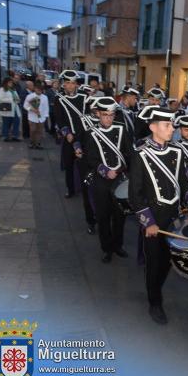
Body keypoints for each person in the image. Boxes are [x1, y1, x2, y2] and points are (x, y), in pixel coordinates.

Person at [129, 107, 188, 324]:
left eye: (172, 124)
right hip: (154, 219)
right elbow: (135, 195)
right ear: (153, 127)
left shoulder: (177, 151)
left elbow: (184, 185)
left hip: (175, 217)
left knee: (167, 261)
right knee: (154, 262)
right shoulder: (140, 155)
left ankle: (156, 289)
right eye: (167, 125)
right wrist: (148, 223)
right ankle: (154, 301)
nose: (172, 129)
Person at [83, 97, 132, 263]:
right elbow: (90, 159)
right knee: (103, 216)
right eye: (105, 115)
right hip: (102, 182)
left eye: (111, 115)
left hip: (119, 179)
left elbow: (129, 153)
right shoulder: (91, 134)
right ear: (98, 114)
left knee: (120, 216)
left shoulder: (122, 129)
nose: (108, 118)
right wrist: (104, 171)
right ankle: (106, 248)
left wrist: (126, 173)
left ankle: (118, 245)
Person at [54, 70, 97, 235]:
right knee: (69, 163)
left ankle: (85, 187)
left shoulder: (84, 97)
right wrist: (67, 133)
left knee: (84, 164)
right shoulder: (59, 99)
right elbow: (59, 118)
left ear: (76, 84)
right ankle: (70, 189)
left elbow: (88, 115)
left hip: (83, 136)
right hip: (69, 137)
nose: (71, 85)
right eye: (68, 83)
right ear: (64, 84)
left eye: (73, 83)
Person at [23, 82, 50, 149]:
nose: (39, 91)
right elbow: (25, 106)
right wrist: (32, 110)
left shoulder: (45, 97)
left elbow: (46, 107)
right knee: (33, 130)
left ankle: (38, 143)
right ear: (35, 89)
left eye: (41, 90)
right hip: (32, 117)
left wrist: (46, 116)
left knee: (40, 131)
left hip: (41, 117)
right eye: (38, 90)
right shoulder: (30, 96)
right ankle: (32, 142)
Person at [0, 77, 22, 142]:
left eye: (11, 82)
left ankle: (15, 135)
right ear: (6, 83)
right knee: (6, 122)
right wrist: (11, 100)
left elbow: (16, 97)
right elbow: (0, 98)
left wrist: (18, 100)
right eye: (9, 82)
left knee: (17, 121)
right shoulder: (2, 89)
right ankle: (5, 136)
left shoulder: (13, 89)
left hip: (15, 108)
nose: (11, 84)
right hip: (7, 108)